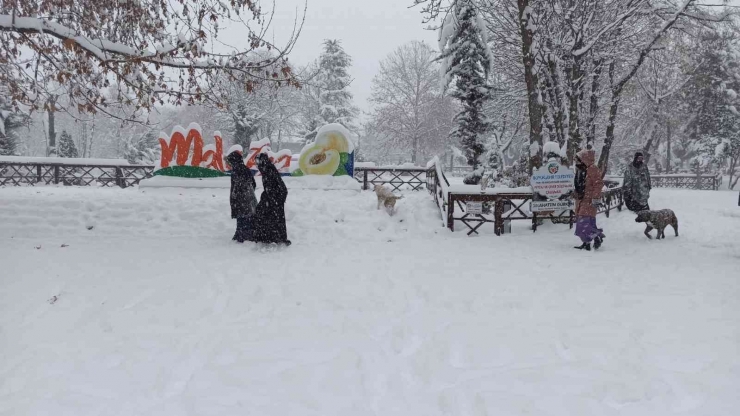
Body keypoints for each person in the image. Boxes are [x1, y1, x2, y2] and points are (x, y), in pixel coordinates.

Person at [251, 153, 291, 245]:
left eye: (258, 161)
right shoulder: (267, 168)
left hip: (275, 197)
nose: (257, 163)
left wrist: (275, 199)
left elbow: (279, 185)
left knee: (269, 216)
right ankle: (267, 236)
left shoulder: (269, 169)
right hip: (271, 197)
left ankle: (270, 237)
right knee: (265, 215)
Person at [573, 148, 605, 251]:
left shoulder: (592, 168)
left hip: (589, 200)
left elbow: (598, 184)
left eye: (578, 159)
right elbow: (580, 185)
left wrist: (595, 198)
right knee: (587, 223)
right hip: (582, 200)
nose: (576, 161)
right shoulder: (581, 169)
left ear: (584, 159)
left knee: (584, 223)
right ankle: (588, 242)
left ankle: (596, 235)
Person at [225, 149, 258, 243]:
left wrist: (236, 196)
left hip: (241, 200)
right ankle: (248, 234)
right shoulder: (245, 168)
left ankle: (242, 236)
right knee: (248, 217)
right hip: (249, 198)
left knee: (242, 218)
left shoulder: (236, 170)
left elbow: (237, 186)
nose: (230, 164)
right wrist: (249, 193)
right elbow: (253, 183)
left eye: (230, 161)